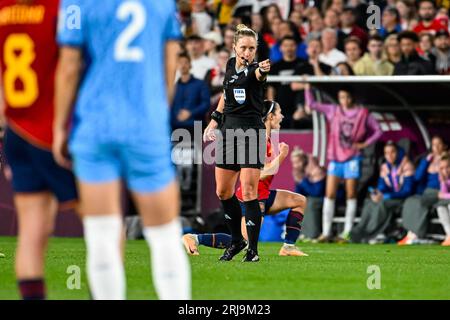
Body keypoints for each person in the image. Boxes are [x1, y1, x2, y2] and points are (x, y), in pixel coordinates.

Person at [55, 0, 190, 299]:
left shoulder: (77, 3)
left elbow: (69, 65)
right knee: (165, 236)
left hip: (95, 124)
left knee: (101, 236)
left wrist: (58, 126)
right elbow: (170, 61)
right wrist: (158, 111)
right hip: (144, 124)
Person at [0, 0, 78, 300]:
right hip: (52, 132)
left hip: (16, 131)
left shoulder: (5, 9)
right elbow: (71, 65)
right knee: (104, 222)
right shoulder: (59, 7)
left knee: (31, 233)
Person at [184, 101, 308, 257]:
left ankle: (288, 247)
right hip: (250, 198)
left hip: (263, 194)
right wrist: (282, 156)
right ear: (270, 117)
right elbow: (260, 174)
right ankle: (195, 238)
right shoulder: (258, 139)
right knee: (242, 241)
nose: (282, 116)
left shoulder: (268, 138)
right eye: (279, 113)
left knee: (299, 201)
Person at [203, 24, 271, 262]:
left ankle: (252, 250)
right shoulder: (231, 65)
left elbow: (258, 75)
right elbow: (226, 93)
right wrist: (214, 120)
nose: (248, 52)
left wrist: (262, 69)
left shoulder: (256, 70)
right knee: (223, 191)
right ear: (235, 47)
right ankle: (236, 241)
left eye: (252, 48)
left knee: (249, 191)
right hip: (228, 130)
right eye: (244, 47)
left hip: (251, 131)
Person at [304, 82, 382, 242]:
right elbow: (311, 104)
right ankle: (326, 233)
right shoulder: (334, 110)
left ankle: (346, 232)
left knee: (351, 194)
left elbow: (378, 131)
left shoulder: (362, 113)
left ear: (352, 98)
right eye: (341, 97)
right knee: (329, 193)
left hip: (353, 158)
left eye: (346, 97)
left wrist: (365, 144)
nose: (344, 100)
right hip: (335, 158)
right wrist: (307, 87)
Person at [351, 141, 415, 244]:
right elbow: (382, 186)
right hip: (389, 198)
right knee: (370, 202)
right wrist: (377, 193)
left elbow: (407, 191)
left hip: (402, 199)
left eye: (392, 152)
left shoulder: (407, 165)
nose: (389, 155)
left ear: (398, 152)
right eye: (386, 153)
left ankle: (368, 233)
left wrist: (387, 196)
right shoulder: (385, 167)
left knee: (382, 204)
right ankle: (359, 229)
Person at [399, 136, 447, 245]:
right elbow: (417, 177)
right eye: (434, 145)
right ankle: (410, 233)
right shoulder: (428, 160)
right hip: (426, 192)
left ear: (444, 146)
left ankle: (417, 233)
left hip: (440, 191)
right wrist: (426, 161)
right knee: (411, 201)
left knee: (422, 201)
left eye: (439, 144)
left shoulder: (446, 160)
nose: (436, 147)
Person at [290, 147, 326, 240]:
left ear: (303, 160)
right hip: (314, 198)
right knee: (299, 203)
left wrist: (302, 181)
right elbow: (299, 193)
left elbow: (316, 192)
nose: (295, 166)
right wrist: (299, 181)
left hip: (326, 198)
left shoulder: (315, 170)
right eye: (294, 163)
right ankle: (301, 233)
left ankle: (312, 233)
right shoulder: (299, 172)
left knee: (311, 202)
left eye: (298, 162)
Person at [171, 53, 210, 131]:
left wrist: (190, 113)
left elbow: (206, 104)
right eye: (180, 62)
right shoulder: (174, 87)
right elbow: (171, 106)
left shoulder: (200, 84)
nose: (183, 65)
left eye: (185, 62)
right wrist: (176, 115)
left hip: (196, 126)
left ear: (190, 65)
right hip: (176, 126)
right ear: (177, 66)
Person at [436, 152, 450, 246]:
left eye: (448, 167)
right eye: (442, 168)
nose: (445, 170)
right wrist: (443, 181)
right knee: (440, 207)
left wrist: (443, 196)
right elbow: (444, 193)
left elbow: (443, 195)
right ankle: (449, 234)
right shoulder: (446, 179)